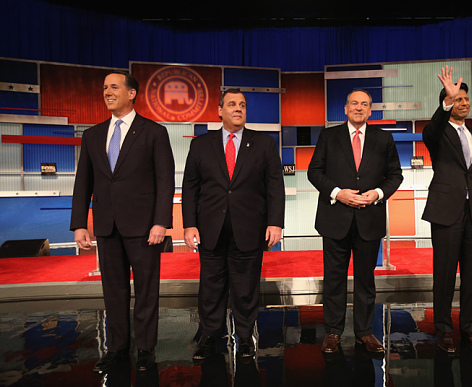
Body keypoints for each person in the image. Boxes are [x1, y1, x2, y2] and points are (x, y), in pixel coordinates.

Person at [70, 71, 175, 372]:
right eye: (104, 87)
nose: (107, 92)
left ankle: (145, 350)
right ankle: (117, 348)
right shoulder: (92, 135)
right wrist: (79, 223)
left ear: (132, 93)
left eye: (114, 87)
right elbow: (83, 183)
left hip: (144, 228)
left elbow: (165, 181)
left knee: (145, 290)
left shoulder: (154, 132)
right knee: (113, 292)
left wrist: (161, 222)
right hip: (106, 227)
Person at [182, 88, 285, 361]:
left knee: (246, 287)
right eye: (231, 104)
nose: (237, 109)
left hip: (249, 228)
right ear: (220, 110)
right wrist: (189, 224)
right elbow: (190, 187)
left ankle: (245, 335)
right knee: (211, 287)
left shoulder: (263, 143)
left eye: (242, 105)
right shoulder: (201, 145)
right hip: (210, 229)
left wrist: (275, 222)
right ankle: (209, 335)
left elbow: (275, 185)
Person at [307, 89, 403, 354]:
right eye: (354, 103)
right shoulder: (329, 136)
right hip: (335, 218)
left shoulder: (383, 139)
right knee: (334, 279)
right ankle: (333, 332)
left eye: (365, 104)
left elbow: (395, 175)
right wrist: (338, 193)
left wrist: (378, 194)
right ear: (345, 109)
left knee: (365, 280)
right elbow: (314, 171)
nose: (359, 108)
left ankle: (364, 332)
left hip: (369, 219)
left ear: (371, 110)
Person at [422, 66, 472, 354]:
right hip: (445, 211)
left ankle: (468, 328)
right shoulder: (438, 134)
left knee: (471, 274)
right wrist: (445, 102)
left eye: (466, 100)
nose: (464, 103)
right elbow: (431, 129)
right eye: (459, 99)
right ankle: (443, 330)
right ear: (449, 103)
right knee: (443, 274)